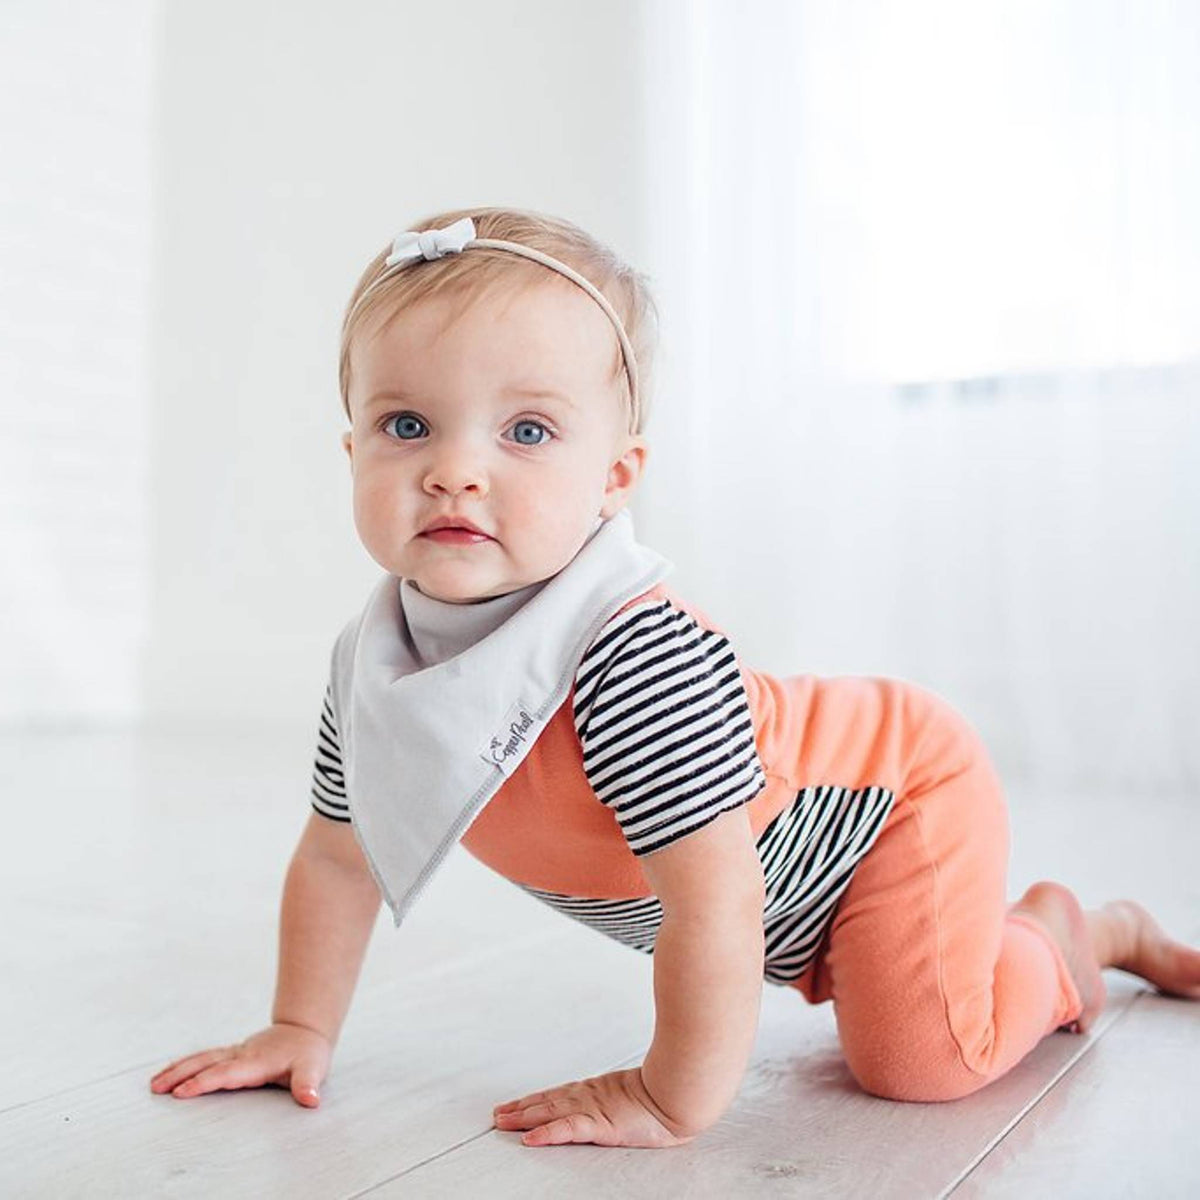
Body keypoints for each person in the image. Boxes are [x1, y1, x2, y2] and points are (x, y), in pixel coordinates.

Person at [149, 207, 1200, 1149]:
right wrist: (299, 1025)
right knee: (889, 1023)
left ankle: (1071, 934)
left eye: (526, 431)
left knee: (920, 1065)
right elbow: (339, 860)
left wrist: (670, 1096)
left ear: (614, 479)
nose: (456, 468)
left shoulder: (631, 654)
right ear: (351, 452)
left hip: (894, 808)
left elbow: (715, 898)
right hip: (775, 898)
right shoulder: (377, 666)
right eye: (407, 425)